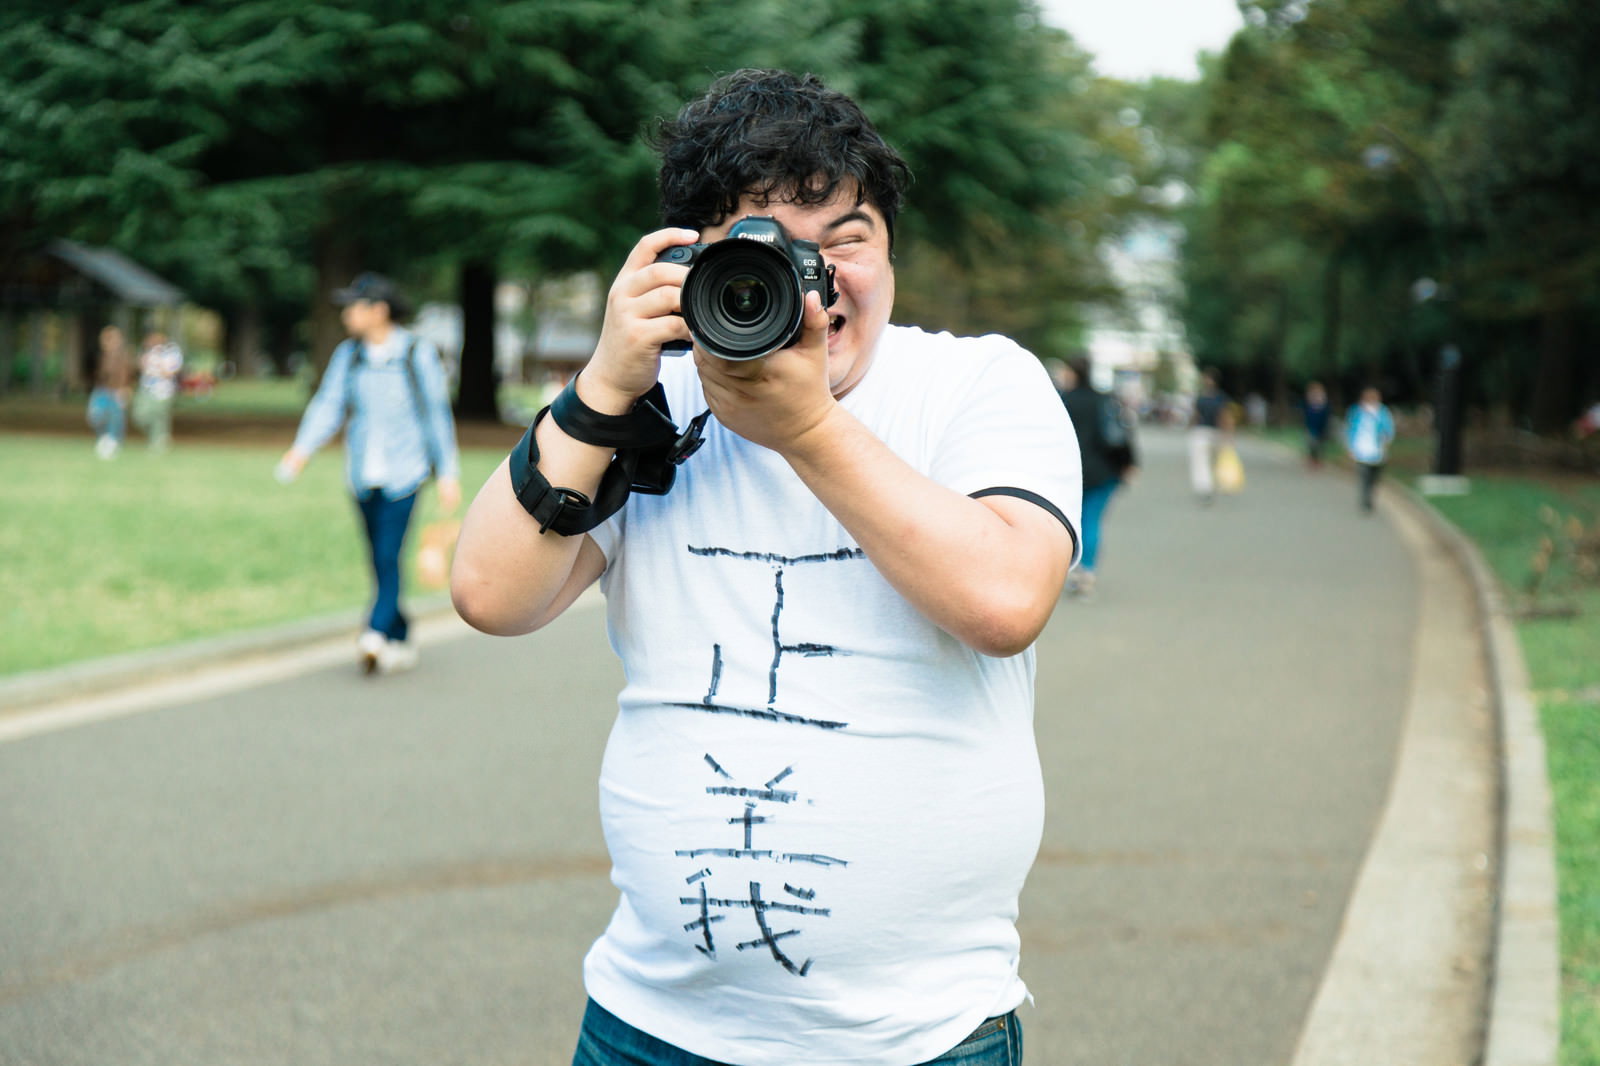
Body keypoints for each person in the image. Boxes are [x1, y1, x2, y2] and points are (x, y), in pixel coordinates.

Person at [452, 69, 1081, 1066]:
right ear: (690, 261)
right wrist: (603, 382)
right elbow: (491, 594)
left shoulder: (975, 382)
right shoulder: (651, 402)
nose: (813, 274)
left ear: (890, 249)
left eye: (846, 238)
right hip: (650, 1025)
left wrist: (806, 429)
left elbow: (1005, 599)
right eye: (766, 245)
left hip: (916, 1038)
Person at [277, 273, 462, 674]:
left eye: (354, 307)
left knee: (388, 554)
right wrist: (302, 449)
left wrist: (448, 472)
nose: (346, 315)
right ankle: (401, 633)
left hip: (405, 475)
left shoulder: (416, 353)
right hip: (362, 476)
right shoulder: (349, 355)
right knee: (379, 560)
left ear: (379, 310)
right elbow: (329, 403)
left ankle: (374, 633)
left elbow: (436, 415)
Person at [1059, 357, 1136, 599]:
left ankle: (1070, 571)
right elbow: (1120, 434)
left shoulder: (1062, 400)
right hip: (1104, 471)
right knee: (1092, 520)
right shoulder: (1104, 400)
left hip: (1069, 472)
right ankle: (1087, 573)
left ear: (1072, 373)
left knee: (1071, 523)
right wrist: (1129, 463)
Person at [1345, 385, 1396, 513]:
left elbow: (1389, 429)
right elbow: (1350, 430)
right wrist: (1350, 447)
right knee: (1364, 476)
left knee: (1374, 478)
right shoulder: (1356, 412)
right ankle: (1366, 500)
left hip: (1378, 451)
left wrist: (1386, 441)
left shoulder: (1382, 412)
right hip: (1361, 450)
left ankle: (1370, 495)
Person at [132, 329, 184, 452]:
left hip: (163, 391)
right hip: (146, 390)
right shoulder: (148, 352)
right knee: (140, 416)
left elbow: (171, 372)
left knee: (159, 417)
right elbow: (141, 367)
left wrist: (158, 366)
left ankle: (158, 441)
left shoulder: (171, 353)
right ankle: (156, 437)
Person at [86, 325, 133, 459]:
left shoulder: (124, 356)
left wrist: (124, 389)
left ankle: (113, 442)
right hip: (101, 390)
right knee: (95, 415)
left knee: (116, 418)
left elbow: (127, 374)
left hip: (117, 391)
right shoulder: (101, 355)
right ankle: (105, 438)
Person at [1187, 368, 1230, 504]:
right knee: (1201, 461)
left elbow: (1223, 416)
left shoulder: (1217, 397)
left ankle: (1209, 485)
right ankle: (1205, 487)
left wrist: (1226, 433)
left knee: (1211, 461)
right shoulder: (1205, 397)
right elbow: (1196, 414)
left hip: (1214, 432)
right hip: (1202, 431)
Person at [1303, 381, 1332, 468]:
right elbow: (1306, 415)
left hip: (1322, 428)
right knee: (1312, 444)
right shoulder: (1308, 403)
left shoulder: (1325, 404)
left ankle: (1318, 461)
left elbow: (1327, 417)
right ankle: (1312, 460)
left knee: (1320, 445)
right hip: (1311, 427)